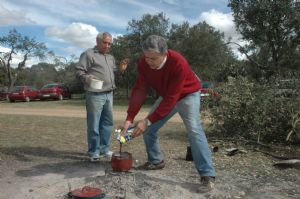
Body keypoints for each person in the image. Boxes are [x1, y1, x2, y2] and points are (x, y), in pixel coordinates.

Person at [121, 35, 216, 193]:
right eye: (146, 57)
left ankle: (207, 175)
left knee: (193, 129)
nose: (149, 61)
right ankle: (156, 161)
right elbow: (140, 90)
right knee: (148, 129)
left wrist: (147, 121)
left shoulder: (178, 62)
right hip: (167, 95)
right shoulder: (143, 63)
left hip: (188, 94)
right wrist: (130, 118)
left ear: (164, 53)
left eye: (153, 58)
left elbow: (173, 98)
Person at [76, 32, 128, 162]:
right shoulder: (89, 54)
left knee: (107, 123)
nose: (107, 45)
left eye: (109, 43)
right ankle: (94, 152)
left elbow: (112, 73)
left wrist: (121, 70)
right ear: (97, 41)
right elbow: (78, 71)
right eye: (105, 42)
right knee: (94, 124)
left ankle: (104, 149)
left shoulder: (110, 57)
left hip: (109, 93)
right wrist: (87, 78)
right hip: (94, 94)